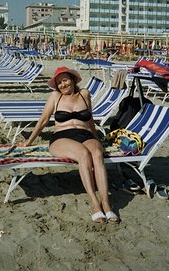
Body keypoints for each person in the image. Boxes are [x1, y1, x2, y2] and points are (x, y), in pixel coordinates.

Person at [18, 66, 120, 224]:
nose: (62, 85)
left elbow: (90, 119)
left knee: (97, 154)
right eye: (59, 82)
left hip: (85, 134)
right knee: (83, 154)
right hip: (62, 137)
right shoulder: (55, 97)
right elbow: (43, 120)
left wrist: (97, 138)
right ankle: (94, 203)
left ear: (72, 79)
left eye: (64, 80)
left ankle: (106, 203)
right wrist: (28, 141)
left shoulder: (84, 94)